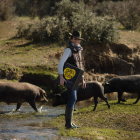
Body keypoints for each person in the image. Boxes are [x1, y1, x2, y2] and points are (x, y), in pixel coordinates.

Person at [58, 30, 86, 129]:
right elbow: (61, 64)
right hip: (69, 78)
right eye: (75, 39)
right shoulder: (68, 50)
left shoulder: (78, 49)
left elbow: (80, 65)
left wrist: (82, 78)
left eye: (78, 39)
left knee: (72, 98)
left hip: (76, 77)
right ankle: (68, 124)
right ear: (71, 39)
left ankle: (69, 123)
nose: (77, 41)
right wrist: (61, 77)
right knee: (73, 98)